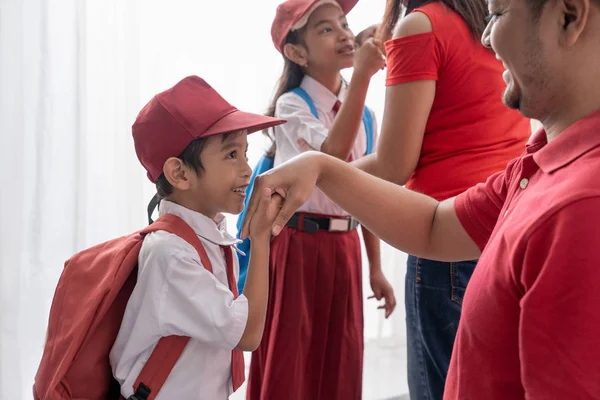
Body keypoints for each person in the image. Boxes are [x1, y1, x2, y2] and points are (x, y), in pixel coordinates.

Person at [242, 0, 600, 396]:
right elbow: (432, 225)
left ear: (569, 16)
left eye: (497, 14)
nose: (485, 36)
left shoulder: (578, 209)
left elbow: (395, 166)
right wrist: (321, 169)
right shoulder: (532, 167)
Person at [245, 1, 395, 399]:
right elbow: (328, 161)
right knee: (291, 363)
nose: (345, 34)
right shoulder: (292, 107)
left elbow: (367, 195)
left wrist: (376, 268)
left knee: (340, 362)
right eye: (326, 29)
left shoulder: (367, 116)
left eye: (344, 24)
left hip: (344, 249)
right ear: (296, 53)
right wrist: (362, 76)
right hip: (296, 248)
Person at [109, 75, 285, 399]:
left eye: (246, 153)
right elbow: (246, 334)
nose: (248, 170)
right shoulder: (172, 254)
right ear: (180, 173)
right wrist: (260, 238)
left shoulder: (208, 234)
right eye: (232, 155)